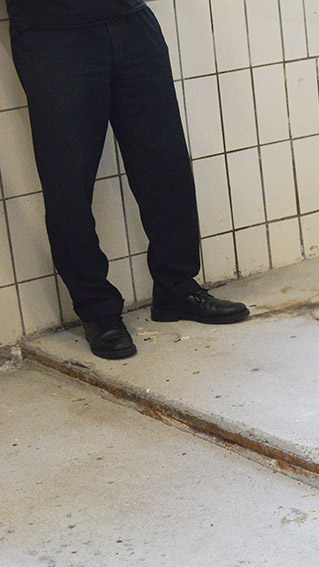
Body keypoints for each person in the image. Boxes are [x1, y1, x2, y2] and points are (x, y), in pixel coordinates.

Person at [6, 0, 248, 361]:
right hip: (52, 33)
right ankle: (97, 309)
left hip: (131, 21)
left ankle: (176, 286)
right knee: (68, 183)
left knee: (166, 165)